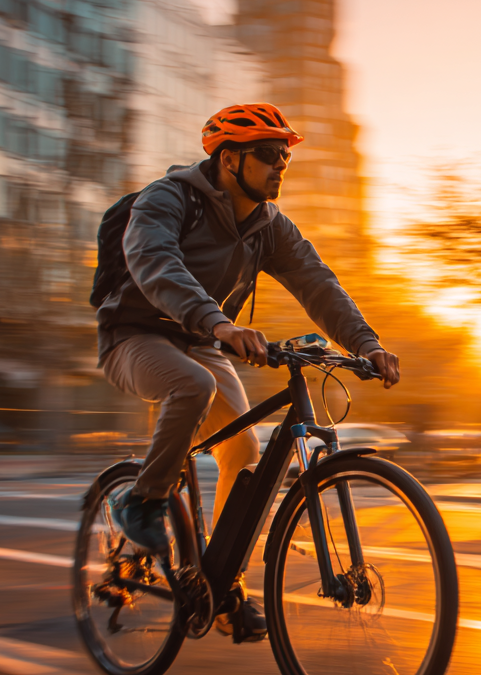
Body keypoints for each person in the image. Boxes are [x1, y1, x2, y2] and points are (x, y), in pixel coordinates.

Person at [94, 103, 400, 640]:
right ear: (229, 158)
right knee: (194, 385)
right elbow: (154, 263)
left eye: (284, 156)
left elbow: (317, 283)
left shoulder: (268, 227)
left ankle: (221, 582)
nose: (281, 165)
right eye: (268, 155)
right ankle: (141, 500)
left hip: (202, 338)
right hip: (134, 336)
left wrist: (366, 343)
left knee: (244, 451)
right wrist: (219, 324)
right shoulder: (167, 200)